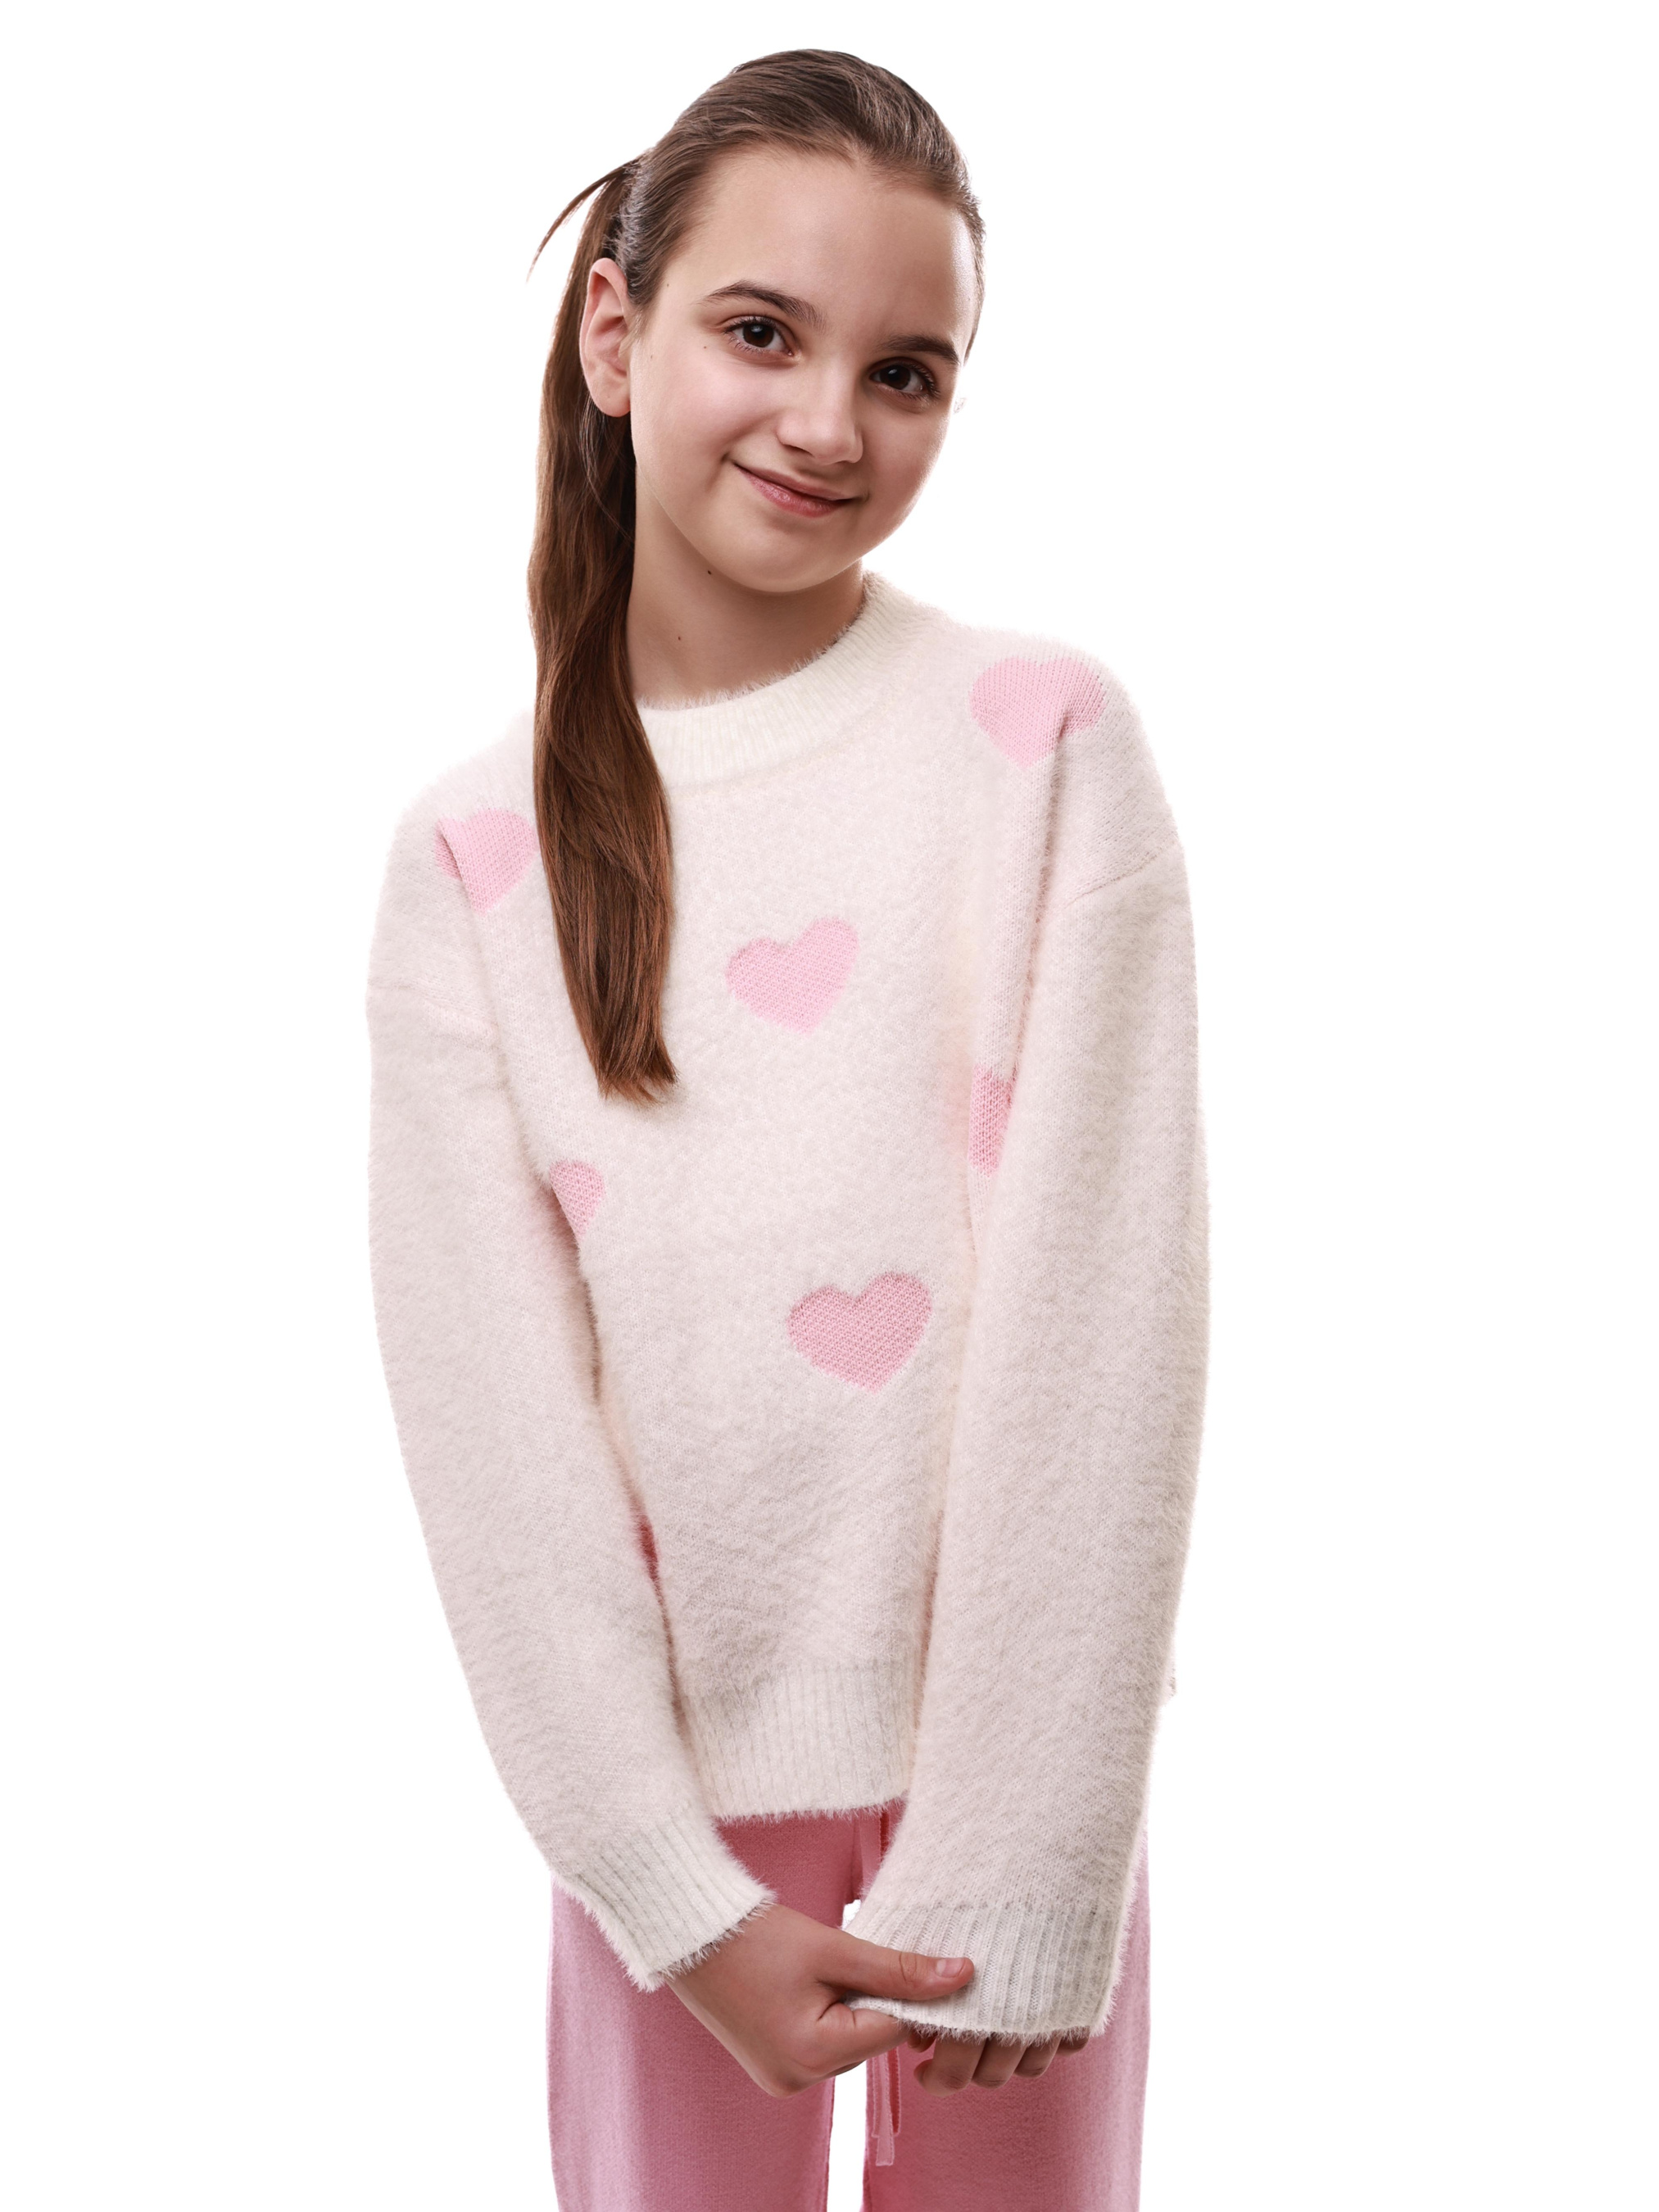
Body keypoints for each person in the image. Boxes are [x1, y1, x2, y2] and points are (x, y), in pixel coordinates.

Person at [366, 46, 1208, 2212]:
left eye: (906, 372)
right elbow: (494, 1434)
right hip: (661, 1835)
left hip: (1013, 1798)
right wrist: (666, 1890)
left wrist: (1027, 1847)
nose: (831, 423)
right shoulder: (470, 860)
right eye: (763, 332)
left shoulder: (1039, 746)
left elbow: (1101, 1324)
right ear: (616, 332)